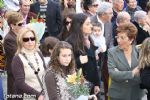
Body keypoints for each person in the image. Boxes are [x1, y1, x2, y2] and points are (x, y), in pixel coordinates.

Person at [66, 13, 100, 97]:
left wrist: (97, 83)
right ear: (79, 26)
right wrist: (78, 61)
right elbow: (66, 65)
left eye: (90, 23)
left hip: (91, 84)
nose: (91, 26)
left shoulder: (89, 40)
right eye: (87, 24)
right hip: (78, 85)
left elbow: (94, 65)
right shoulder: (69, 42)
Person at [107, 22, 144, 100]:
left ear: (131, 40)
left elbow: (143, 75)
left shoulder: (140, 51)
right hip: (118, 95)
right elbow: (113, 74)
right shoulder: (111, 52)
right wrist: (132, 73)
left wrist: (121, 75)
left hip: (136, 94)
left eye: (122, 38)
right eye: (117, 37)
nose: (118, 40)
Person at [11, 27, 46, 100]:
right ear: (20, 41)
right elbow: (19, 83)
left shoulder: (38, 53)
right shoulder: (17, 58)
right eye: (26, 39)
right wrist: (38, 95)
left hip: (43, 95)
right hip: (27, 97)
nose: (30, 42)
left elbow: (46, 73)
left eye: (32, 38)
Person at [3, 11, 24, 96]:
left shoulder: (19, 35)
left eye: (22, 23)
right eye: (19, 24)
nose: (22, 26)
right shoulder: (9, 38)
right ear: (12, 26)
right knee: (14, 95)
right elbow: (18, 54)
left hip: (19, 71)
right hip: (13, 72)